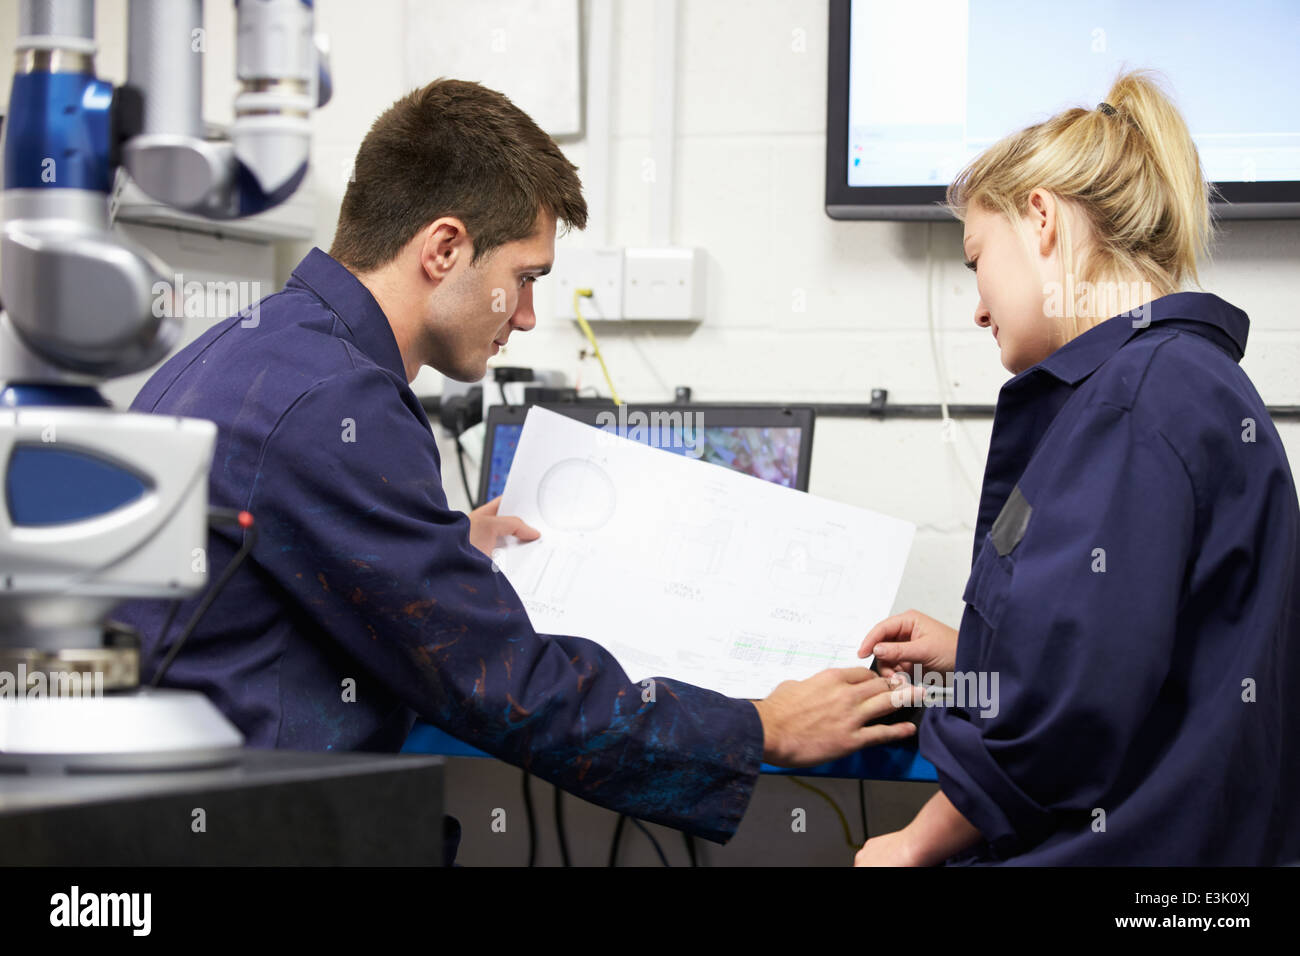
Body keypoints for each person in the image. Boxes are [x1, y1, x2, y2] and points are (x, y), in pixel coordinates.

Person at [112, 79, 920, 851]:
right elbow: (504, 684)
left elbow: (272, 549)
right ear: (444, 248)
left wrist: (437, 540)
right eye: (524, 279)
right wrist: (764, 725)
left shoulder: (252, 346)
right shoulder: (337, 402)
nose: (529, 317)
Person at [855, 70, 1300, 865]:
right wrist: (976, 656)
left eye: (976, 261)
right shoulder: (1178, 382)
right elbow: (1135, 649)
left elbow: (1069, 711)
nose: (980, 306)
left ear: (1041, 221)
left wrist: (912, 845)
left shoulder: (1133, 400)